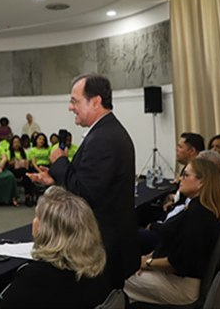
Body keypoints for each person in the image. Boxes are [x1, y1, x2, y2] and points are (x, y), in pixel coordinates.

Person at [30, 74, 139, 289]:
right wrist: (54, 178)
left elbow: (85, 195)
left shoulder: (103, 139)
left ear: (95, 101)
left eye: (74, 101)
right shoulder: (106, 131)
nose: (70, 108)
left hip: (105, 247)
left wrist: (60, 161)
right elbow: (90, 181)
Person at [125, 158, 220, 305]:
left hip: (180, 287)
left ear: (201, 182)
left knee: (115, 277)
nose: (180, 178)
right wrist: (148, 259)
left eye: (185, 175)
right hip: (177, 278)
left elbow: (178, 264)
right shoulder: (200, 209)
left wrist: (146, 263)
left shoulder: (198, 216)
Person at [0, 186, 110, 309]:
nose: (34, 221)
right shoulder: (96, 267)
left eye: (37, 216)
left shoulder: (35, 278)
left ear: (48, 230)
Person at [8, 135, 36, 206]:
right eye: (15, 142)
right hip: (13, 170)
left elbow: (28, 161)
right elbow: (8, 163)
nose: (16, 144)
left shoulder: (24, 152)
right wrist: (15, 161)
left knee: (26, 176)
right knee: (26, 174)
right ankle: (28, 196)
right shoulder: (9, 152)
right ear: (12, 144)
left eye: (18, 142)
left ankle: (27, 197)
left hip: (23, 170)